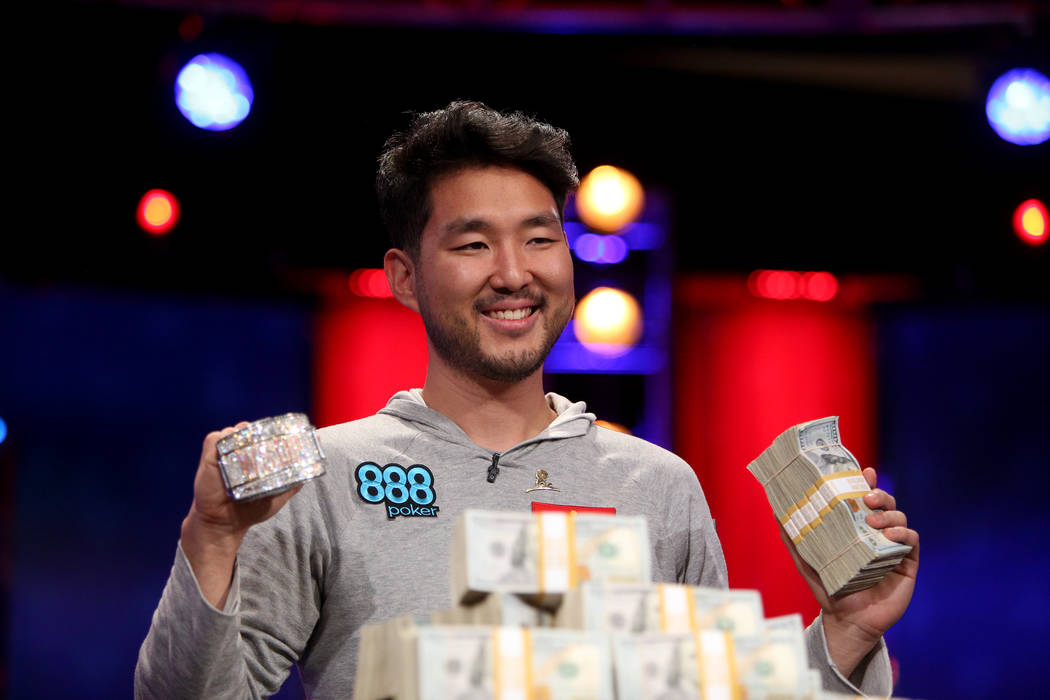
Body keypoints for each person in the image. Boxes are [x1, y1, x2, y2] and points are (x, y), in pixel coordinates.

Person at [135, 101, 919, 699]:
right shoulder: (329, 477)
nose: (514, 272)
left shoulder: (657, 485)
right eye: (474, 244)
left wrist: (844, 635)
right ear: (404, 275)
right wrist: (210, 542)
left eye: (541, 238)